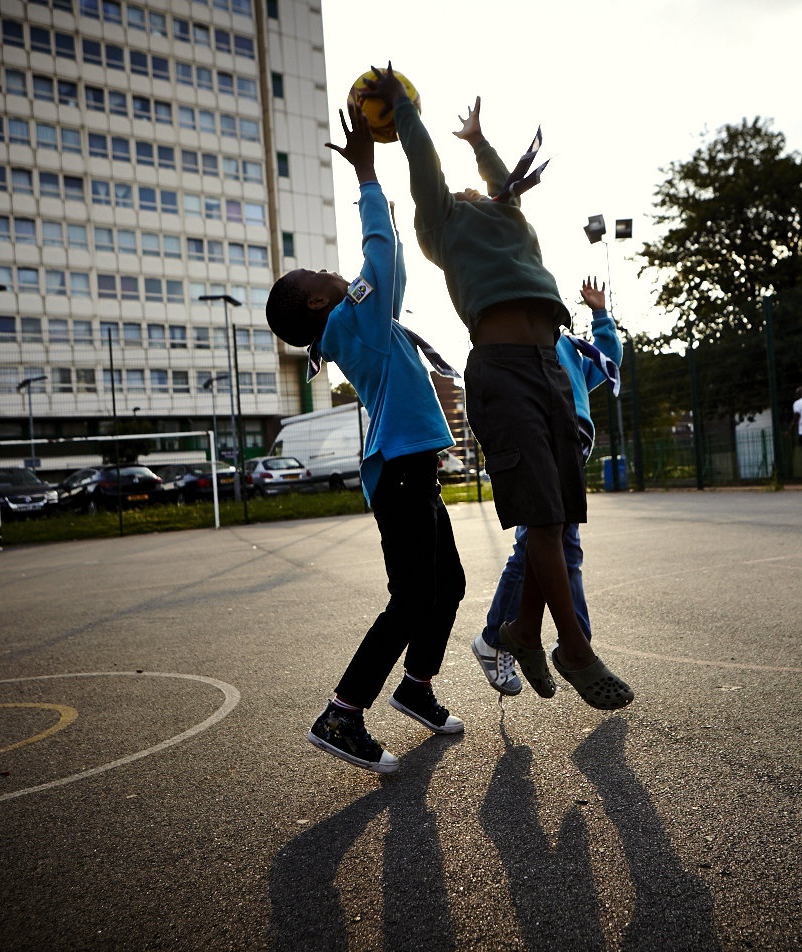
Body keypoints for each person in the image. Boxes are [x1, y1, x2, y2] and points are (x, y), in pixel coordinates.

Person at [361, 65, 632, 711]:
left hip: (550, 367)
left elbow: (504, 181)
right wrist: (402, 109)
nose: (472, 187)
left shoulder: (508, 216)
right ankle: (575, 649)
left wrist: (479, 142)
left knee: (556, 516)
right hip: (503, 367)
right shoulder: (442, 223)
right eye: (462, 186)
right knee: (542, 517)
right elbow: (424, 167)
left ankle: (522, 631)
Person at [265, 105, 465, 775]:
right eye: (318, 273)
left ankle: (416, 688)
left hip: (411, 470)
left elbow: (388, 267)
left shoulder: (355, 323)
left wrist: (381, 200)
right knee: (413, 597)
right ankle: (342, 714)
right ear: (318, 302)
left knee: (447, 586)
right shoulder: (353, 323)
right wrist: (368, 177)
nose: (331, 271)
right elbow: (381, 254)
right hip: (400, 473)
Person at [472, 277, 621, 696]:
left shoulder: (568, 346)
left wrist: (600, 314)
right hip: (536, 444)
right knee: (539, 547)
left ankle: (565, 642)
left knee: (557, 549)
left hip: (570, 447)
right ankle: (512, 639)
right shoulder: (517, 341)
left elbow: (608, 360)